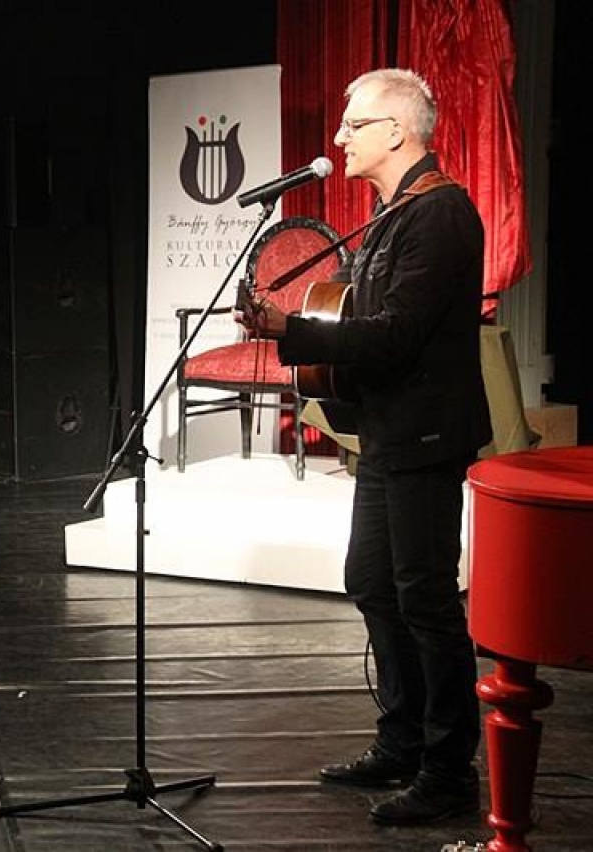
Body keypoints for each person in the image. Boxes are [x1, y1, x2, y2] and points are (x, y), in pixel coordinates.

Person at [236, 68, 490, 826]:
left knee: (427, 598)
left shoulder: (440, 214)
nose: (340, 138)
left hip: (426, 435)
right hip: (387, 431)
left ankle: (448, 770)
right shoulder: (390, 214)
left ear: (396, 131)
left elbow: (397, 334)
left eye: (354, 124)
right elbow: (353, 312)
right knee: (373, 581)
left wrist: (292, 330)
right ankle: (402, 740)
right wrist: (293, 327)